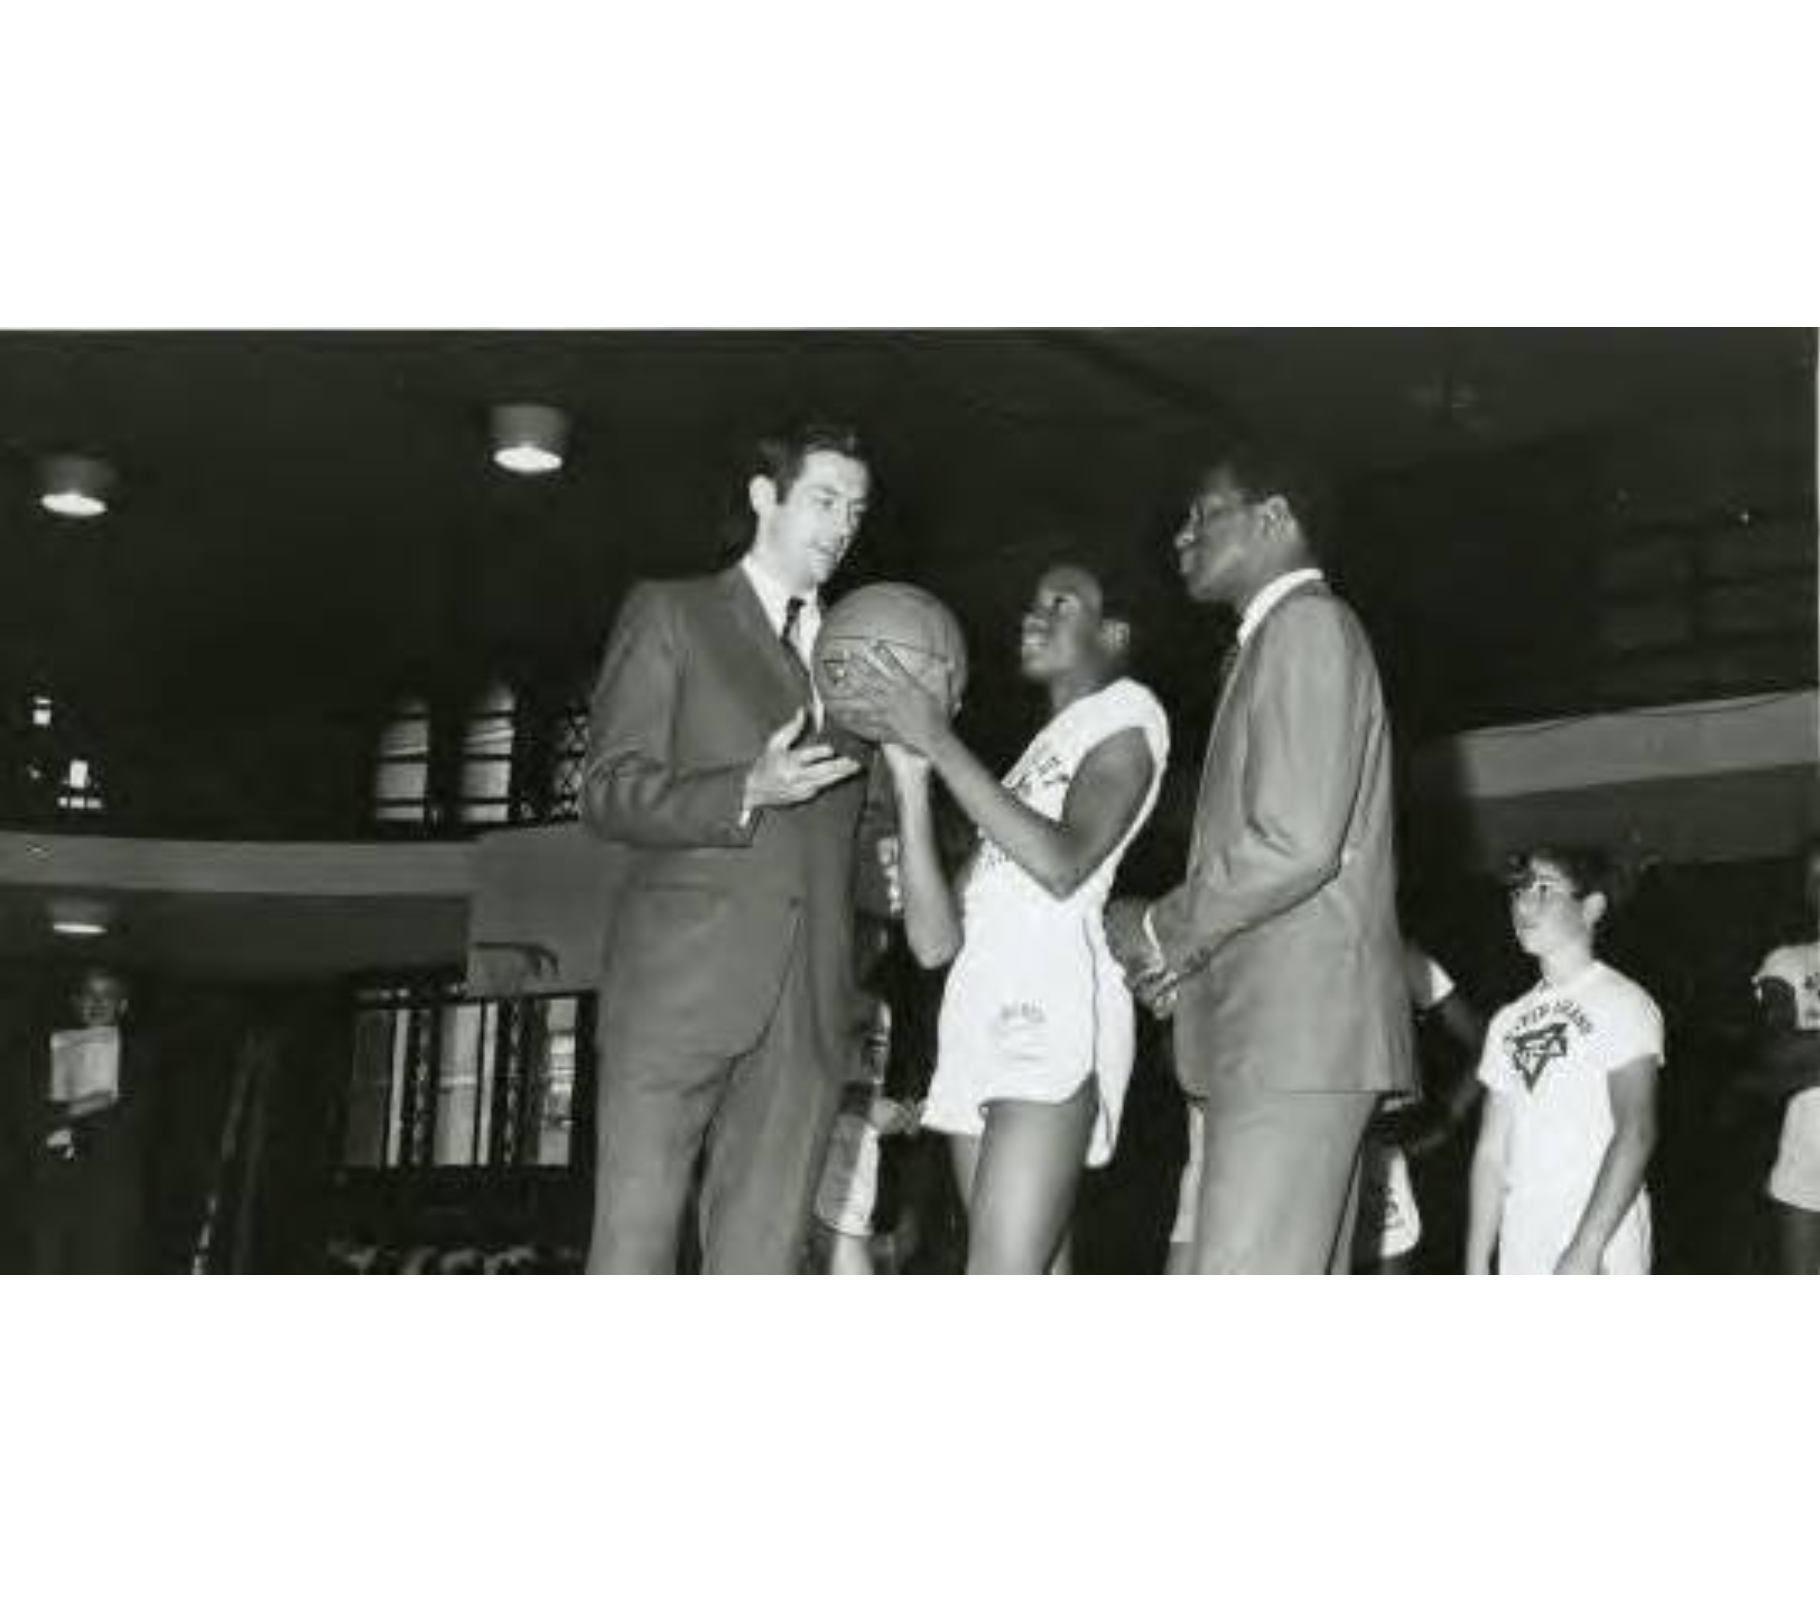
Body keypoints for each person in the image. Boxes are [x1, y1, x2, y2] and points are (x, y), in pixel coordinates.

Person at [582, 421, 889, 1275]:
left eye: (856, 512)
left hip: (809, 1008)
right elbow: (605, 788)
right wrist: (742, 791)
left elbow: (866, 850)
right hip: (677, 989)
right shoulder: (671, 612)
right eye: (824, 500)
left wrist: (908, 806)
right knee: (631, 1253)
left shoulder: (867, 665)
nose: (840, 526)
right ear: (767, 497)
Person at [1106, 445, 1414, 1275]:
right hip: (1285, 1034)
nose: (1182, 535)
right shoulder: (1271, 641)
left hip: (1295, 1035)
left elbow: (1296, 842)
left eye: (1204, 513)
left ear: (1274, 518)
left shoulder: (1307, 627)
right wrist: (1190, 961)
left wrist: (1162, 928)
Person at [844, 564, 1169, 1275]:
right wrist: (911, 779)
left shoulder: (1128, 714)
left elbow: (1063, 864)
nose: (1032, 615)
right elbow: (933, 943)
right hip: (973, 1024)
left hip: (1046, 1020)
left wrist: (941, 741)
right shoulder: (1027, 766)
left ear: (1111, 633)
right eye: (1031, 601)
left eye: (1061, 603)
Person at [1467, 849, 1663, 1276]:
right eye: (1519, 891)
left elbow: (1637, 1131)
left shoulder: (1623, 1001)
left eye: (1544, 889)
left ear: (1590, 908)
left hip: (1600, 1237)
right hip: (1524, 1238)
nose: (1523, 904)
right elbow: (1491, 1152)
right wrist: (1477, 1260)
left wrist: (1586, 1250)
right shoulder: (1507, 1020)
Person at [32, 967, 158, 1276]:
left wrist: (64, 1113)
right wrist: (74, 1109)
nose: (97, 1003)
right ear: (75, 1003)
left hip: (109, 1197)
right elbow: (27, 1114)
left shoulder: (140, 1058)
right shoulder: (44, 1054)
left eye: (107, 995)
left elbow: (133, 1116)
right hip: (53, 1195)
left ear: (122, 1005)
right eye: (89, 994)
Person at [1745, 835, 1820, 1275]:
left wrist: (1805, 1055)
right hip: (1807, 1164)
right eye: (1816, 876)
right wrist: (1792, 1059)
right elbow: (1774, 1058)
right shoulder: (1787, 961)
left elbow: (1796, 1056)